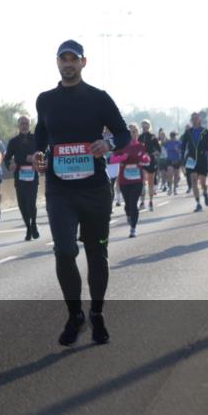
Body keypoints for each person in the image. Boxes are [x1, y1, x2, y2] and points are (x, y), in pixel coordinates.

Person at [33, 39, 130, 347]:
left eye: (73, 59)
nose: (68, 64)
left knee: (96, 253)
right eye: (63, 59)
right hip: (60, 190)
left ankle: (97, 313)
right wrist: (37, 153)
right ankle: (75, 314)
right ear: (57, 63)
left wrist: (109, 144)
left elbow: (124, 133)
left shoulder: (99, 99)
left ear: (83, 63)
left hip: (94, 190)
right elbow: (41, 133)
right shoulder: (45, 99)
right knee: (63, 251)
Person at [110, 124, 150, 237]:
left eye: (135, 131)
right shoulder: (121, 146)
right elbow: (111, 159)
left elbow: (145, 159)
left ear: (138, 133)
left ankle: (133, 228)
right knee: (128, 204)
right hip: (124, 180)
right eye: (131, 132)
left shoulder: (141, 146)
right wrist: (121, 158)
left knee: (133, 204)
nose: (133, 134)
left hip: (137, 179)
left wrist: (145, 159)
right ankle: (128, 214)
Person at [4, 115, 40, 240]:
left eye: (26, 123)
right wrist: (10, 165)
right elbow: (7, 158)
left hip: (33, 175)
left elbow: (44, 152)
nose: (24, 125)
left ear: (30, 125)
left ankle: (34, 224)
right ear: (18, 126)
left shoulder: (36, 138)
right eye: (22, 123)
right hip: (19, 176)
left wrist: (36, 159)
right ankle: (28, 228)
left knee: (31, 203)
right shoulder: (13, 141)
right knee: (22, 204)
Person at [179, 113, 208, 212]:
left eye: (196, 118)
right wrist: (182, 160)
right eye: (193, 119)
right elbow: (183, 146)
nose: (195, 120)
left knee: (203, 182)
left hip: (202, 159)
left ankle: (205, 193)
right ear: (191, 120)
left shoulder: (204, 131)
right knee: (194, 181)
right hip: (191, 160)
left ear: (199, 120)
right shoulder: (188, 132)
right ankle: (198, 203)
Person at [137, 120, 160, 211]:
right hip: (142, 162)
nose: (144, 128)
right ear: (141, 127)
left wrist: (151, 154)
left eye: (146, 126)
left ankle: (150, 202)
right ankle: (142, 202)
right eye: (143, 126)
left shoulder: (153, 137)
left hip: (151, 162)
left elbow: (159, 150)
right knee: (142, 182)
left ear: (149, 127)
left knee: (150, 182)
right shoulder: (139, 137)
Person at [162, 131, 183, 195]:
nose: (172, 138)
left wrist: (178, 150)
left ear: (175, 136)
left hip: (177, 160)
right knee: (170, 174)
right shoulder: (167, 143)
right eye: (171, 136)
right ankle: (170, 188)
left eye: (173, 136)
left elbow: (182, 151)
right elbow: (163, 148)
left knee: (177, 176)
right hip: (169, 160)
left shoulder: (179, 143)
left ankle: (174, 188)